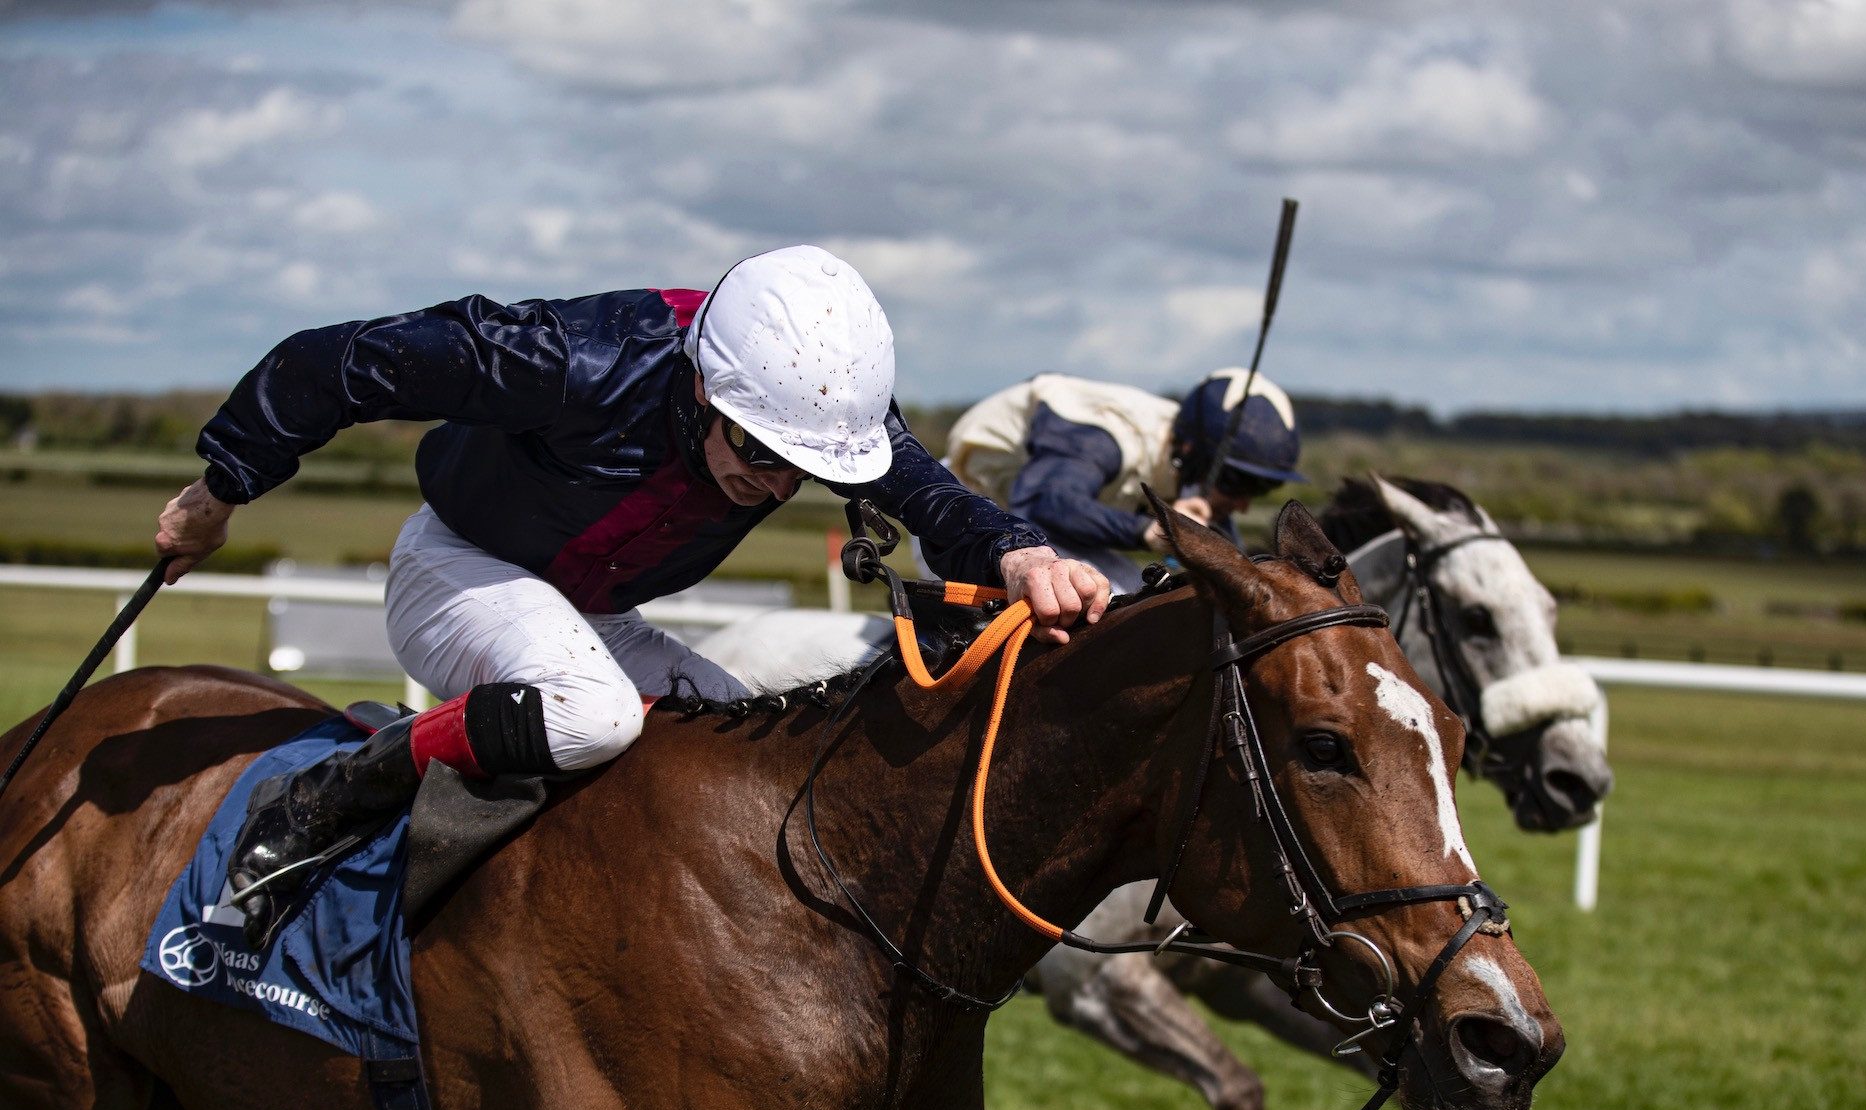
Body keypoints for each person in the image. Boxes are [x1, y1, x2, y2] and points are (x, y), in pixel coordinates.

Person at [155, 245, 1111, 948]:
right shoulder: (566, 359)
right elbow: (337, 363)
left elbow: (933, 496)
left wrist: (1023, 553)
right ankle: (334, 792)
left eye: (802, 470)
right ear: (702, 386)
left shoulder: (821, 397)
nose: (775, 487)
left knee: (766, 750)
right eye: (760, 453)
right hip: (459, 567)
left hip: (592, 614)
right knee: (594, 714)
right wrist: (219, 491)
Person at [943, 368, 1306, 594]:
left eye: (1261, 490)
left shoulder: (1192, 461)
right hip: (963, 513)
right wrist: (1153, 533)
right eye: (1239, 482)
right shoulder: (1107, 439)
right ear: (1195, 451)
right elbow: (1043, 501)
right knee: (1116, 596)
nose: (1243, 503)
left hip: (1032, 524)